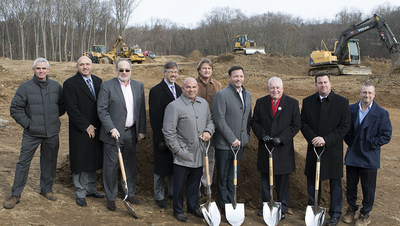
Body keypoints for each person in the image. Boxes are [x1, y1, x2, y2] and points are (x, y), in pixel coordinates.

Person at [3, 58, 65, 209]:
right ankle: (15, 195)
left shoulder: (56, 86)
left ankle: (46, 189)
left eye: (44, 68)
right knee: (23, 162)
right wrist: (29, 124)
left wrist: (51, 119)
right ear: (33, 70)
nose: (41, 71)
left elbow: (62, 106)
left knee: (49, 162)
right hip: (32, 133)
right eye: (38, 68)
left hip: (51, 133)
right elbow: (15, 109)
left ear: (48, 70)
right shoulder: (25, 87)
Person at [301, 72, 350, 226]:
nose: (323, 85)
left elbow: (344, 127)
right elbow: (303, 123)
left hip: (332, 149)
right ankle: (313, 207)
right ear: (316, 85)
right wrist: (314, 138)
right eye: (320, 83)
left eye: (325, 82)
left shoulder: (342, 102)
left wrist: (326, 139)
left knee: (335, 181)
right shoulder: (308, 102)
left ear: (330, 84)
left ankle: (335, 213)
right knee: (312, 179)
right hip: (314, 147)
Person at [162, 77, 215, 222]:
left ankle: (193, 207)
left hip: (199, 152)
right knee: (179, 186)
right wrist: (178, 151)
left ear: (197, 88)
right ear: (182, 88)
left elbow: (210, 120)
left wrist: (208, 132)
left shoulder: (203, 104)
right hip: (183, 154)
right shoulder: (174, 106)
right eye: (188, 87)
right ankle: (178, 210)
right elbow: (168, 131)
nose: (191, 90)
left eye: (194, 87)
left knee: (194, 184)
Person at [97, 59, 146, 211]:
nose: (124, 72)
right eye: (121, 70)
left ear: (131, 71)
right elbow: (102, 110)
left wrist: (141, 130)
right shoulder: (107, 86)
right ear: (116, 70)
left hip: (131, 133)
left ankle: (129, 193)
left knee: (131, 165)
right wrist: (111, 128)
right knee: (111, 166)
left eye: (127, 70)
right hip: (113, 134)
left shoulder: (138, 86)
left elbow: (141, 110)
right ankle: (111, 197)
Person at [342, 82, 392, 226]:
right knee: (351, 186)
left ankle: (365, 213)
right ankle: (351, 209)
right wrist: (351, 142)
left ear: (374, 95)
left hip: (369, 156)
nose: (367, 95)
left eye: (370, 93)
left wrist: (370, 144)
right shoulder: (350, 109)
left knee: (368, 188)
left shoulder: (382, 113)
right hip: (353, 155)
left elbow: (386, 135)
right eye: (364, 92)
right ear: (360, 93)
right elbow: (345, 130)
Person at [251, 77, 300, 220]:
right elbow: (255, 122)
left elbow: (295, 125)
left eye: (278, 87)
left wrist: (282, 138)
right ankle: (267, 205)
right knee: (265, 178)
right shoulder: (261, 102)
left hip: (283, 149)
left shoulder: (292, 103)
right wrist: (262, 135)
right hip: (266, 147)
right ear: (268, 89)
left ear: (282, 88)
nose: (275, 90)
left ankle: (283, 207)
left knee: (282, 180)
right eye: (272, 88)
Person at [63, 56, 105, 207]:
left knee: (93, 158)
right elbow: (71, 109)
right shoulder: (70, 84)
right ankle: (80, 192)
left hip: (97, 127)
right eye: (82, 65)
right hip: (80, 129)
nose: (85, 67)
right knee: (80, 160)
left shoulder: (99, 81)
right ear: (77, 66)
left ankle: (91, 189)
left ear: (92, 65)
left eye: (87, 64)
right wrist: (86, 126)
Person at [212, 65, 252, 213]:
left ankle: (231, 201)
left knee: (232, 176)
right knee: (222, 176)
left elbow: (248, 118)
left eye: (241, 76)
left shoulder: (248, 95)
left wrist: (245, 136)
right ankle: (223, 205)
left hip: (240, 144)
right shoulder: (222, 95)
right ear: (229, 78)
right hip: (224, 144)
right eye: (235, 76)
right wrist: (231, 138)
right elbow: (219, 120)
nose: (238, 79)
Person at [149, 62, 182, 209]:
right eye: (170, 72)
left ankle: (172, 193)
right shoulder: (156, 91)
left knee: (174, 166)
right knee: (160, 169)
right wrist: (160, 139)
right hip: (163, 136)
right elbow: (155, 117)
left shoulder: (180, 89)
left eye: (175, 72)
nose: (173, 74)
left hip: (177, 136)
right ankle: (159, 196)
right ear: (164, 73)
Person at [195, 58, 222, 196]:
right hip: (196, 126)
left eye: (209, 68)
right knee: (197, 157)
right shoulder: (194, 85)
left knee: (210, 157)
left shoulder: (217, 85)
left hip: (213, 127)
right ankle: (196, 185)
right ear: (199, 70)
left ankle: (207, 184)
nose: (206, 70)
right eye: (204, 68)